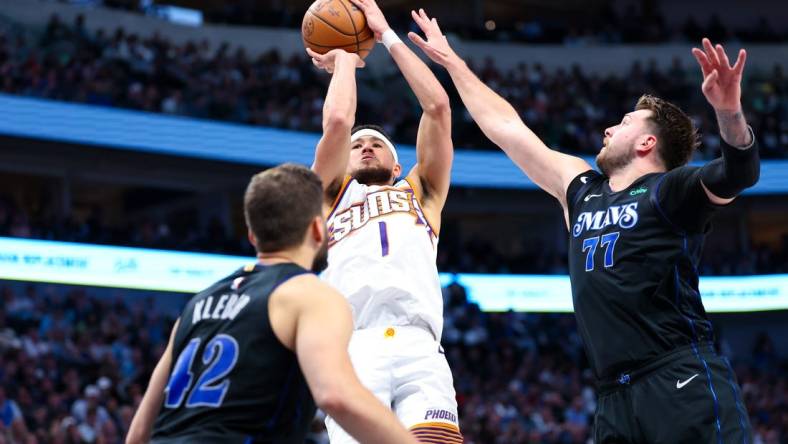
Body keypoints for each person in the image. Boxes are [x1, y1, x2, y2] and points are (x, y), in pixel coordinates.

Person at [409, 12, 758, 443]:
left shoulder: (671, 191)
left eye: (626, 123)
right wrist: (452, 63)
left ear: (648, 143)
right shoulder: (580, 190)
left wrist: (729, 112)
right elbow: (507, 128)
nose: (609, 128)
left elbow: (738, 173)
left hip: (678, 378)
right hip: (614, 395)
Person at [125, 164, 418, 444]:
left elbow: (137, 435)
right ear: (318, 229)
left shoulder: (197, 304)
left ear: (253, 236)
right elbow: (335, 396)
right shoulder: (309, 294)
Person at [306, 1, 462, 442]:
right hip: (355, 346)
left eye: (377, 143)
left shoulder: (420, 192)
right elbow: (338, 121)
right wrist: (345, 62)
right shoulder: (330, 195)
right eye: (359, 145)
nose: (367, 146)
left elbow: (437, 108)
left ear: (398, 166)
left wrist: (386, 34)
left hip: (420, 346)